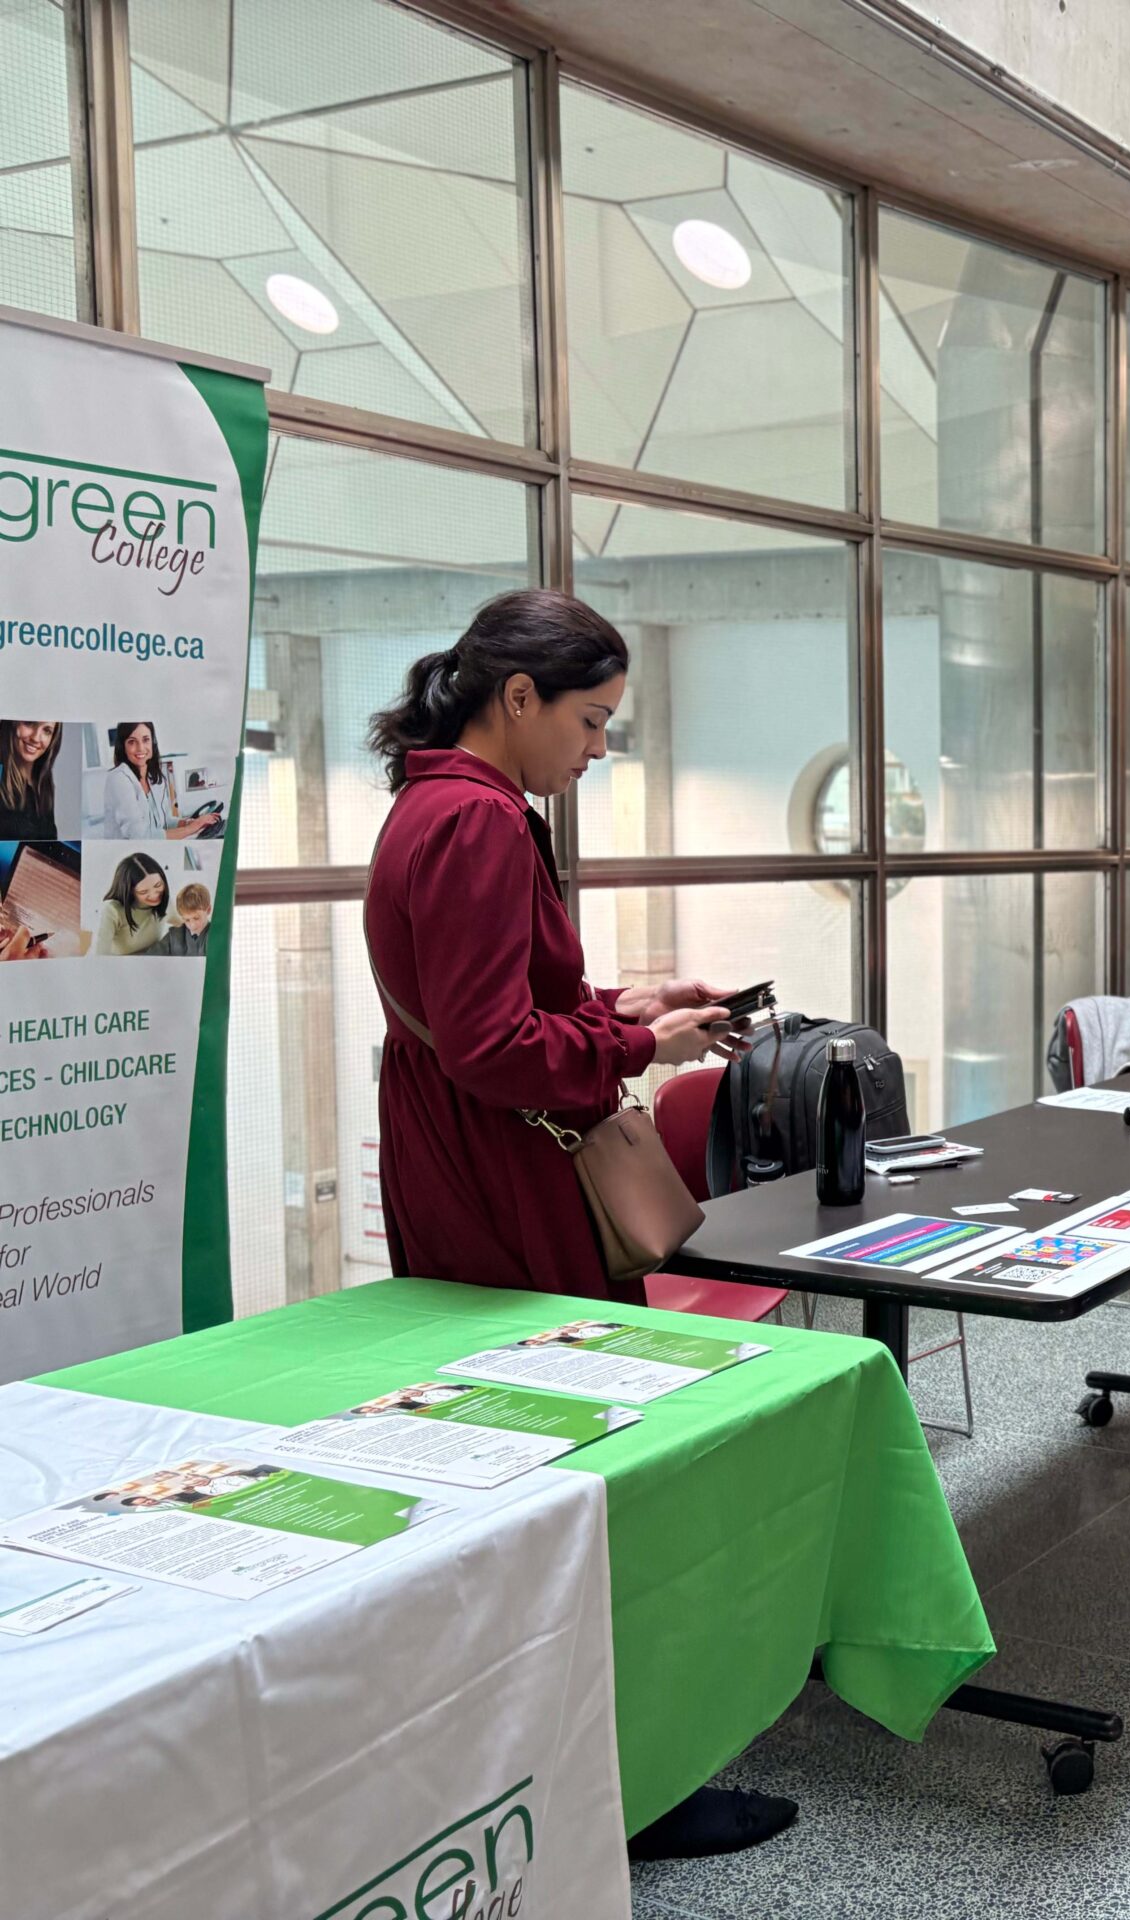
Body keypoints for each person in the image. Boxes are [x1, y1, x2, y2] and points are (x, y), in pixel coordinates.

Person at [363, 590, 784, 1861]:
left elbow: (482, 1003)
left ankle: (541, 1753)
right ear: (517, 698)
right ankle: (632, 1779)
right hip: (507, 1167)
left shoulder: (428, 804)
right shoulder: (483, 822)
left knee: (504, 1453)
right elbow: (498, 1047)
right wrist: (638, 1048)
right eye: (590, 721)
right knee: (573, 1451)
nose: (598, 749)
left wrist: (630, 1005)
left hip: (453, 1151)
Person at [102, 722, 217, 841]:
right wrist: (191, 828)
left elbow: (165, 822)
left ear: (153, 743)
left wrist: (188, 823)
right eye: (132, 742)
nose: (140, 748)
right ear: (123, 747)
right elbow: (139, 836)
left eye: (146, 740)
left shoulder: (154, 777)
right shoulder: (118, 778)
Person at [96, 852, 171, 956]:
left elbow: (188, 922)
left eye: (158, 885)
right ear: (130, 891)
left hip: (153, 962)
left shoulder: (166, 903)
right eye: (143, 892)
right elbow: (100, 954)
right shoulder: (113, 910)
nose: (154, 895)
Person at [0, 721, 64, 839]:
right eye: (29, 723)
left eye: (47, 731)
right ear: (12, 723)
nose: (35, 738)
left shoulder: (44, 786)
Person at [151, 883, 213, 957]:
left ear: (208, 910)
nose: (192, 926)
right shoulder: (174, 935)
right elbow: (149, 957)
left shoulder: (216, 935)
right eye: (187, 920)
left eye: (196, 918)